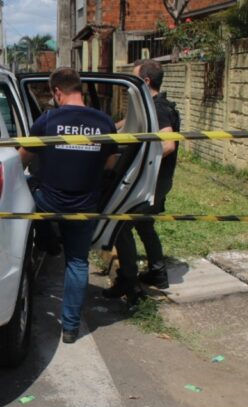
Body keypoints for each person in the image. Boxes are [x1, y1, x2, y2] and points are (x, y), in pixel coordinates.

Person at [19, 67, 118, 344]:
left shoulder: (47, 120)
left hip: (49, 201)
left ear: (57, 92)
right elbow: (111, 163)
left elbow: (21, 161)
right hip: (85, 204)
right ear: (81, 89)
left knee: (29, 194)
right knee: (77, 261)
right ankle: (71, 329)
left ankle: (49, 242)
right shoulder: (104, 122)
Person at [103, 59, 181, 306]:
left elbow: (168, 144)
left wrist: (139, 160)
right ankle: (157, 272)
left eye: (135, 80)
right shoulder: (150, 106)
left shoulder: (158, 108)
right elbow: (126, 124)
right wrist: (104, 129)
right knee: (144, 224)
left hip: (152, 181)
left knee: (121, 225)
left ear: (146, 82)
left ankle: (128, 279)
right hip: (156, 180)